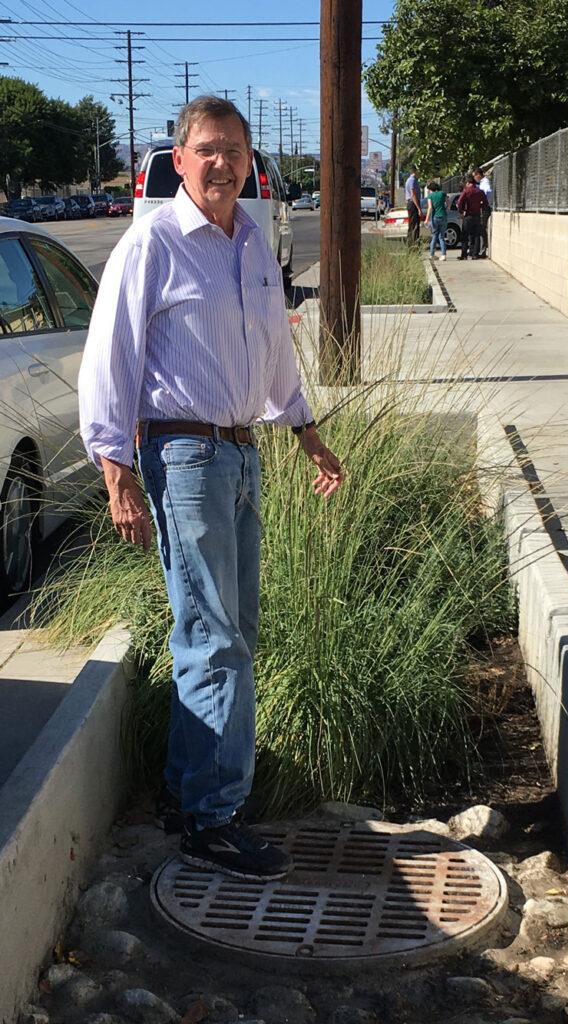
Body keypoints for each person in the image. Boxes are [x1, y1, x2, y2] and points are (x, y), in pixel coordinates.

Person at [78, 95, 344, 882]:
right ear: (180, 159)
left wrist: (305, 431)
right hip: (182, 458)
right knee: (214, 636)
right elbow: (111, 356)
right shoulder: (151, 243)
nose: (222, 162)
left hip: (241, 453)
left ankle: (186, 793)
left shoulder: (252, 241)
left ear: (249, 159)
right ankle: (212, 817)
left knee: (232, 633)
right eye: (206, 149)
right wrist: (114, 469)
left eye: (234, 150)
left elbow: (271, 350)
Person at [457, 172, 489, 260]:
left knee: (465, 236)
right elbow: (486, 203)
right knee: (476, 235)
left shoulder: (466, 191)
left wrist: (461, 211)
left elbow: (459, 201)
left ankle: (464, 255)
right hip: (477, 215)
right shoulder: (479, 191)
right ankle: (475, 254)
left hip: (468, 215)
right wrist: (480, 206)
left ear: (468, 183)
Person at [423, 180, 449, 261]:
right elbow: (449, 203)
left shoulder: (430, 196)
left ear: (431, 189)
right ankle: (443, 254)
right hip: (443, 216)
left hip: (435, 217)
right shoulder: (442, 193)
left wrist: (426, 219)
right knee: (441, 236)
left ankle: (432, 254)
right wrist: (445, 209)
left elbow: (430, 208)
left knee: (434, 236)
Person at [473, 167, 493, 258]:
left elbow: (488, 191)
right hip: (484, 207)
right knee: (481, 229)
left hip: (485, 207)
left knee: (482, 229)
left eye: (475, 176)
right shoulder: (481, 182)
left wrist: (482, 197)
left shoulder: (485, 182)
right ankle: (482, 250)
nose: (474, 178)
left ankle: (483, 250)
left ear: (478, 175)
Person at [404, 165, 422, 245]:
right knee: (413, 226)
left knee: (415, 225)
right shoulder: (412, 180)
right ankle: (412, 245)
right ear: (416, 170)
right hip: (413, 203)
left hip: (413, 203)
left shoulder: (414, 180)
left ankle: (415, 243)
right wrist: (418, 208)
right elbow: (413, 194)